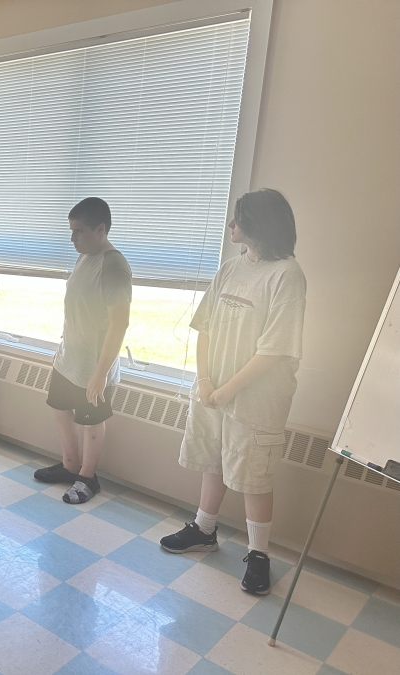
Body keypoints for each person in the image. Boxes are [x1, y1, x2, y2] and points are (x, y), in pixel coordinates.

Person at [159, 189, 306, 596]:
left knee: (254, 474)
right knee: (214, 458)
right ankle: (205, 529)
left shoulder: (287, 276)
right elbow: (204, 326)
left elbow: (274, 350)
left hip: (257, 397)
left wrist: (228, 391)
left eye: (237, 219)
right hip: (214, 390)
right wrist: (207, 382)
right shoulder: (231, 267)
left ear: (259, 225)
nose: (230, 226)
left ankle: (259, 555)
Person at [33, 198, 132, 504]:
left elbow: (119, 324)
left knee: (90, 421)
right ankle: (70, 465)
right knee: (60, 409)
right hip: (69, 357)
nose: (72, 238)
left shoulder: (114, 265)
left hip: (94, 363)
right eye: (71, 230)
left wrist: (100, 374)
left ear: (101, 229)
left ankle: (88, 478)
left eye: (79, 231)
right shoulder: (83, 257)